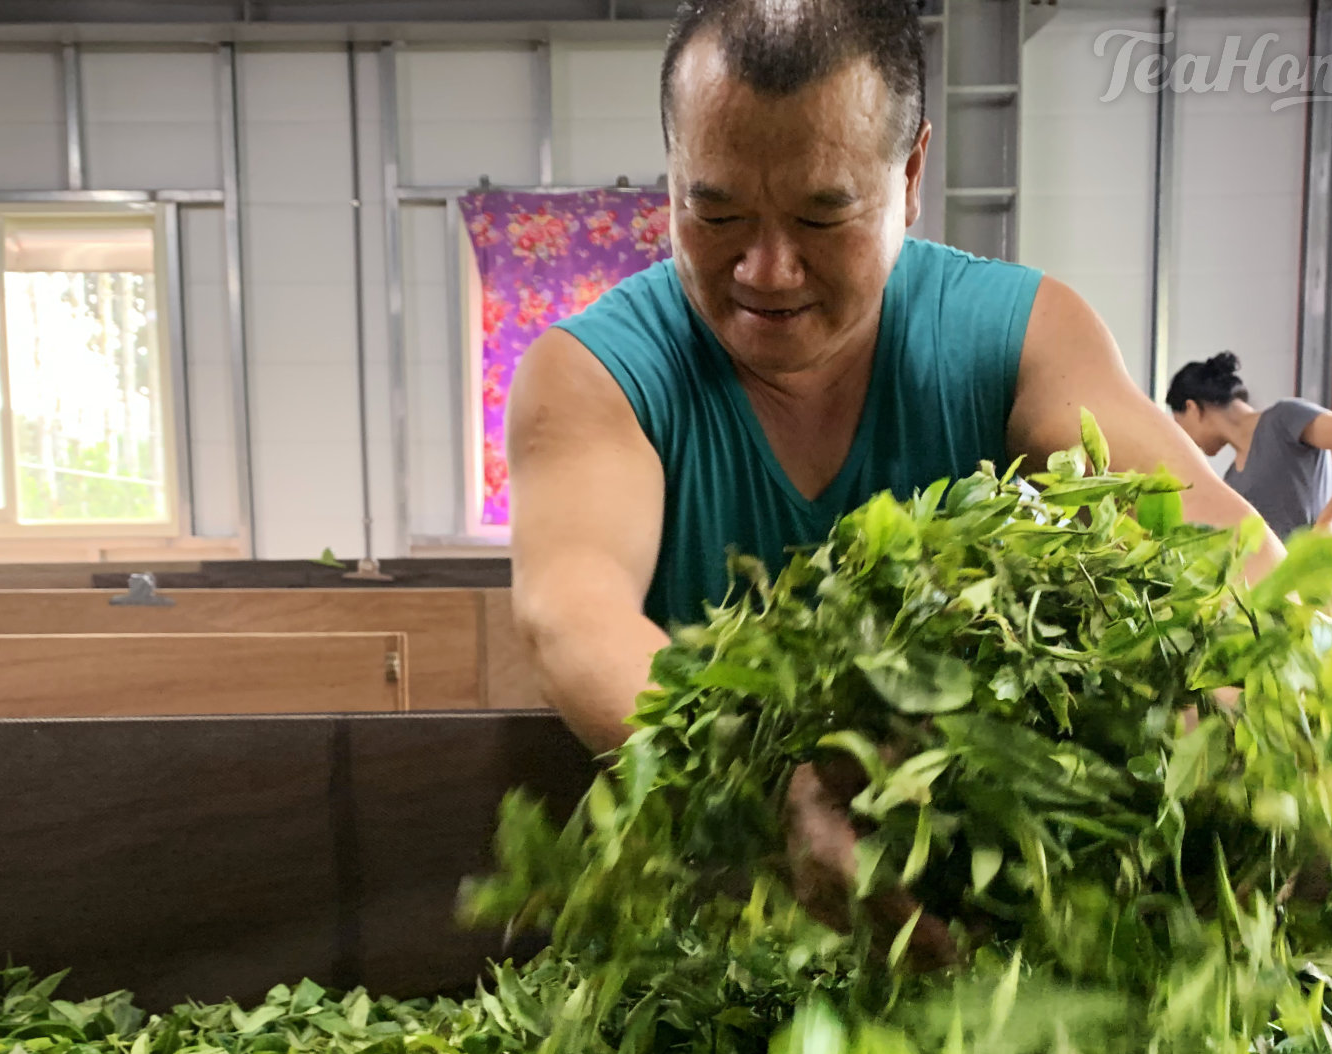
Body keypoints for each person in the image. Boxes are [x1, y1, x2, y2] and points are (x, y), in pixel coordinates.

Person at [509, 0, 1282, 759]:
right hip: (703, 867)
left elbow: (1239, 563)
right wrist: (765, 790)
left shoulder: (1019, 342)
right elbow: (575, 614)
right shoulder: (595, 374)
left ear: (910, 174)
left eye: (822, 218)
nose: (768, 272)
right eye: (716, 215)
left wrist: (1223, 701)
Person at [1166, 352, 1332, 541]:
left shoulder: (1284, 419)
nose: (1186, 438)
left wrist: (1327, 520)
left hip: (1325, 584)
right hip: (1281, 592)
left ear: (1192, 408)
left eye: (1180, 424)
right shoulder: (1232, 479)